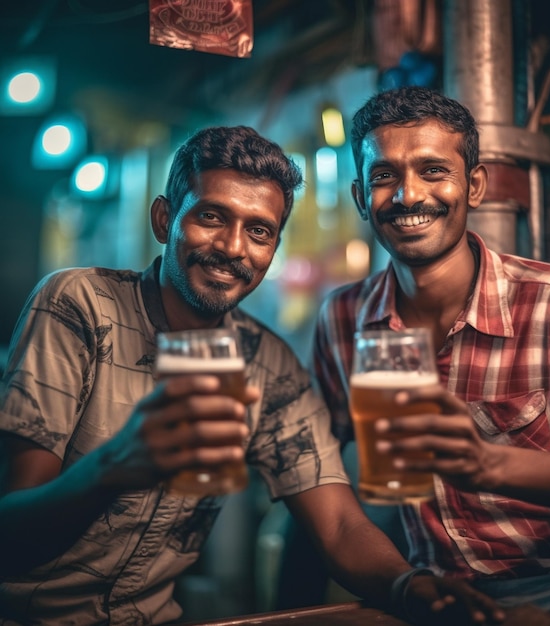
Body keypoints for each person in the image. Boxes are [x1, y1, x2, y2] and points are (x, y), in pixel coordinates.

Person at [0, 125, 505, 625]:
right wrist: (111, 466)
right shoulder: (79, 304)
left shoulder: (267, 363)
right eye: (212, 217)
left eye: (259, 231)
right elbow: (13, 534)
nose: (233, 248)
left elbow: (337, 525)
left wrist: (410, 587)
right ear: (164, 219)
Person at [312, 86, 550, 626]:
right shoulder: (343, 319)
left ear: (473, 186)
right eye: (384, 176)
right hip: (440, 595)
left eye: (433, 170)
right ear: (361, 196)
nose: (408, 195)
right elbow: (322, 479)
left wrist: (490, 464)